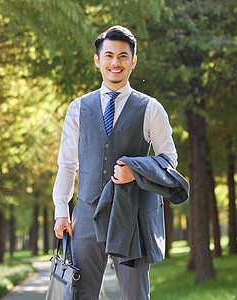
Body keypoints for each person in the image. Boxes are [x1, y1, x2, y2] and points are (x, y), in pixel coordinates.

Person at [52, 25, 182, 300]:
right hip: (87, 213)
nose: (115, 62)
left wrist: (137, 171)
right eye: (109, 55)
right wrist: (61, 209)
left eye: (123, 56)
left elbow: (169, 160)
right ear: (97, 60)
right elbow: (67, 163)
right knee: (80, 294)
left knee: (136, 295)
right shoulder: (78, 108)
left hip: (132, 215)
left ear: (133, 62)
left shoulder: (151, 108)